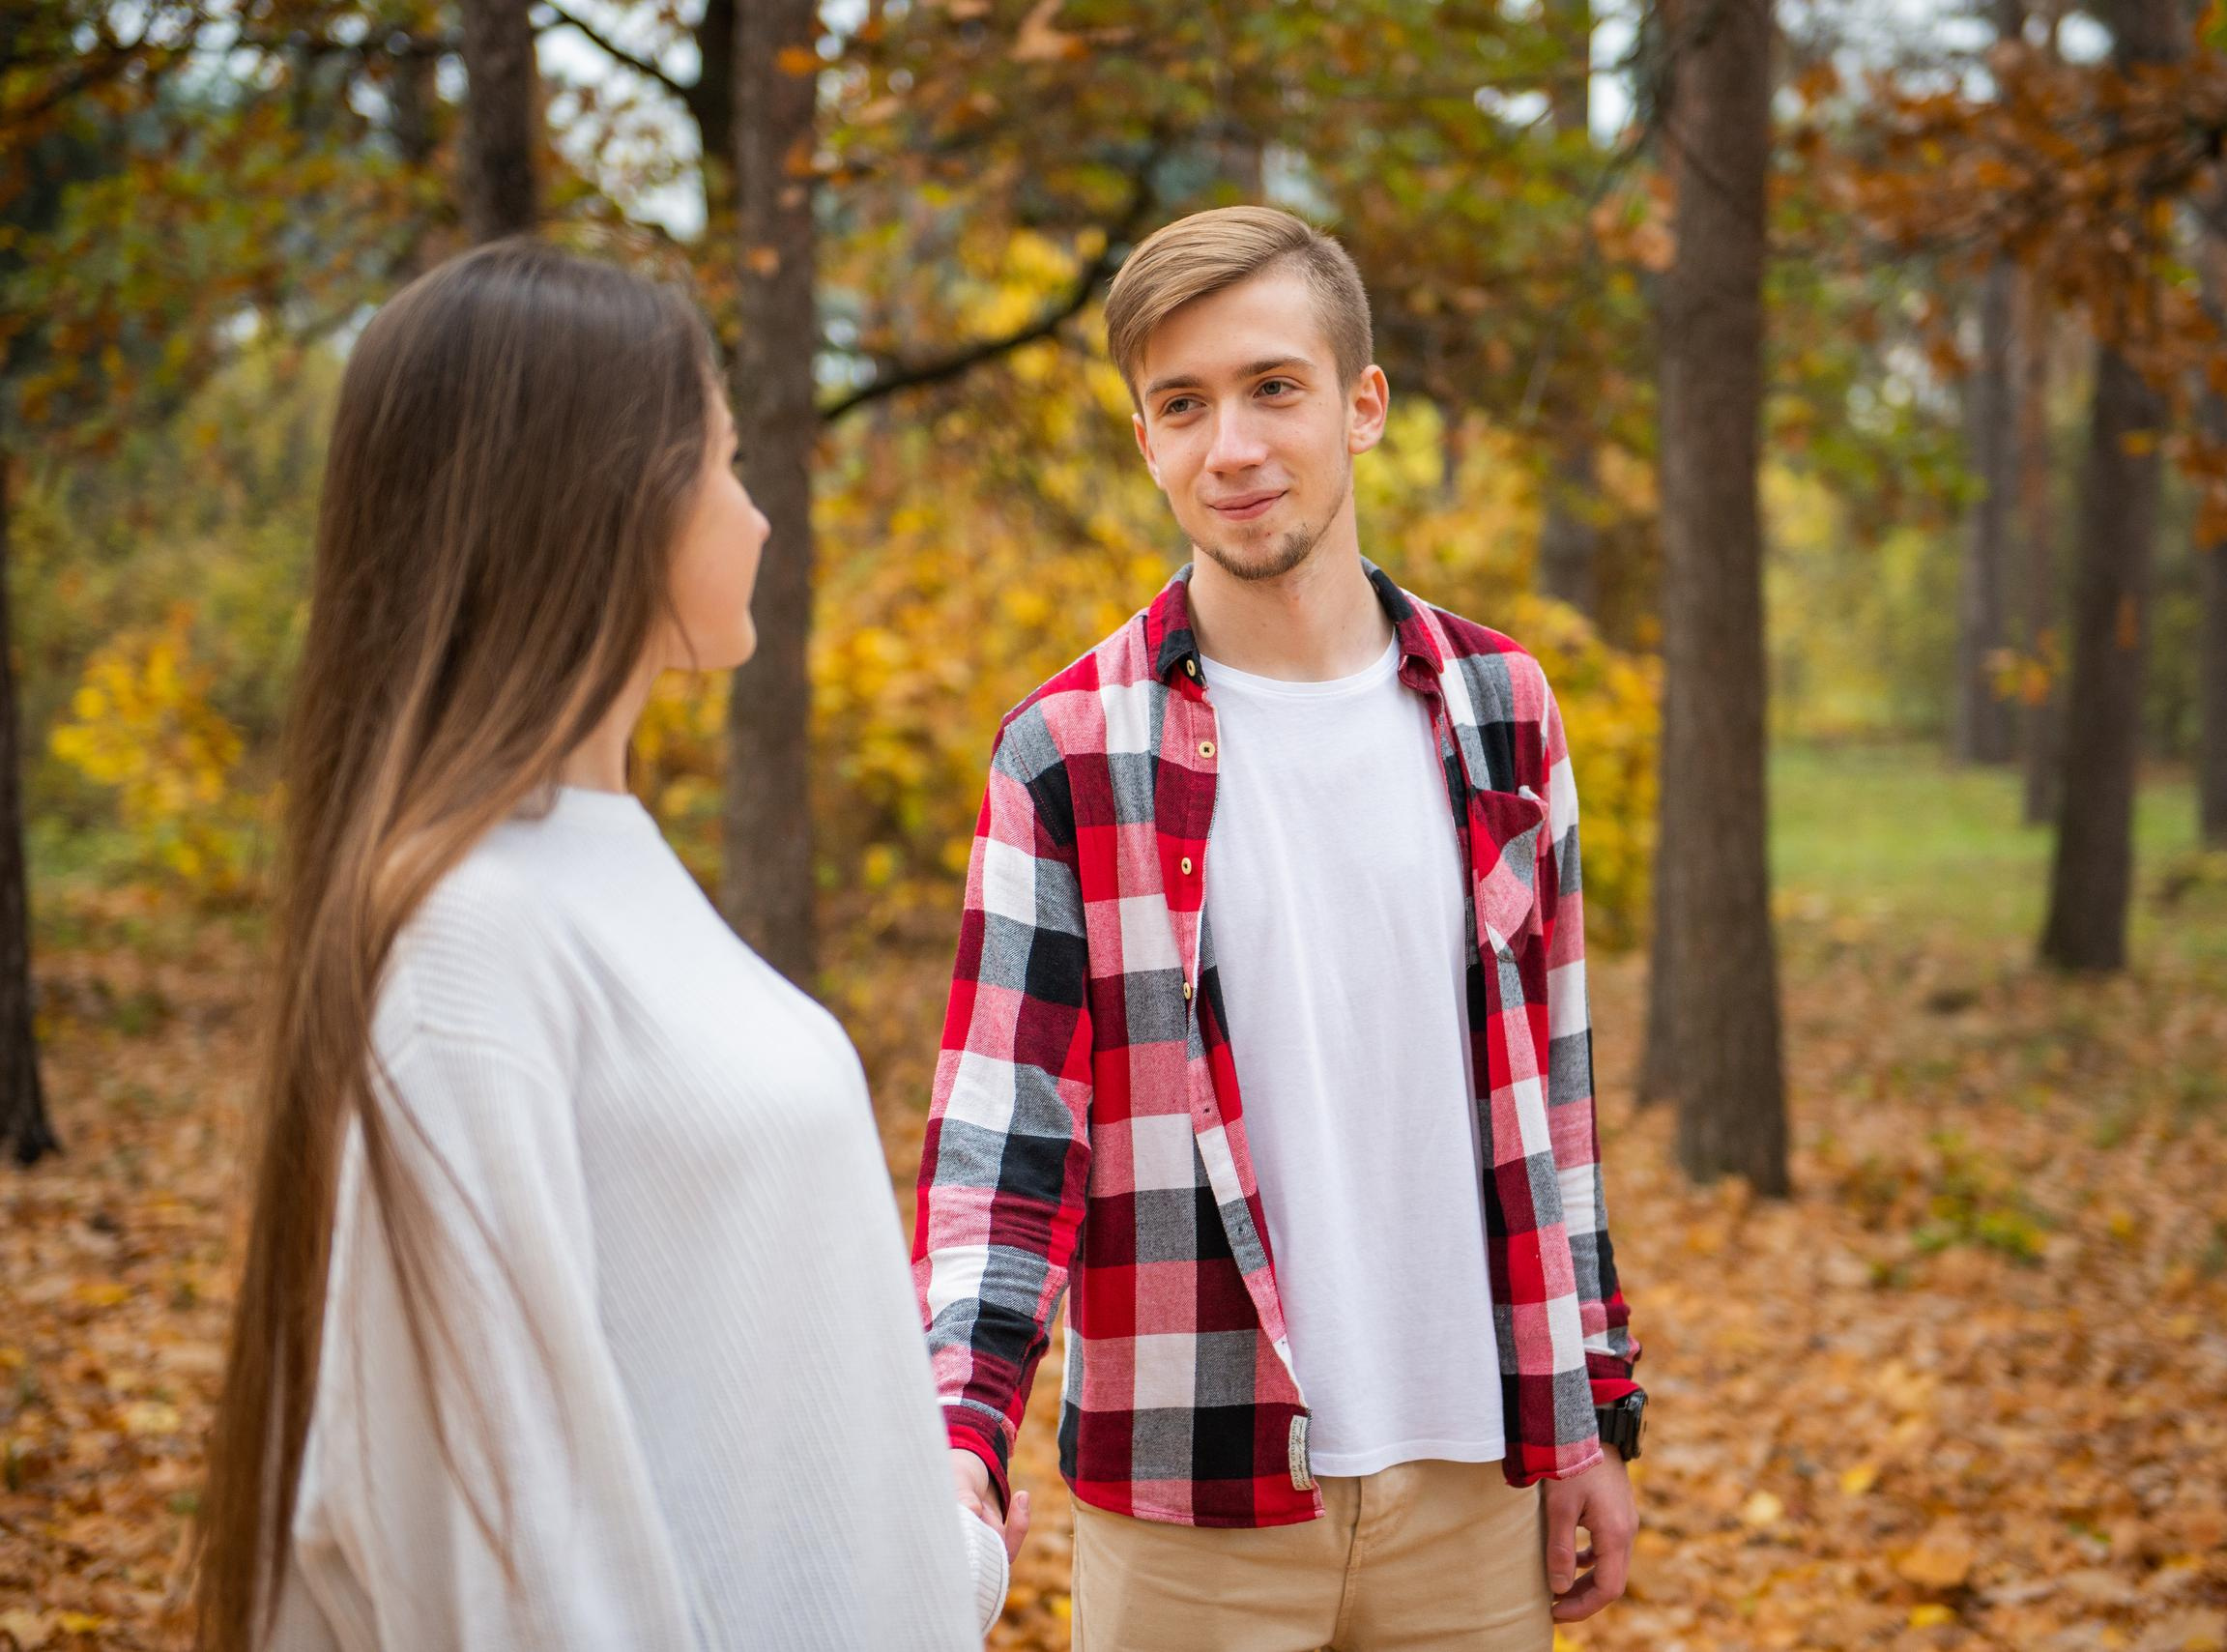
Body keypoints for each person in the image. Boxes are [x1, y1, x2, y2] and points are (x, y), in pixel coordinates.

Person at [192, 240, 1017, 1652]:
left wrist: (943, 1548)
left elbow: (711, 1385)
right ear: (615, 495)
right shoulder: (471, 939)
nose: (758, 518)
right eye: (728, 460)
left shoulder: (596, 858)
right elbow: (510, 1553)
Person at [913, 205, 1644, 1652]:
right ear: (1146, 441)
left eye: (1272, 387)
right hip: (1193, 1500)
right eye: (1182, 406)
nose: (1231, 447)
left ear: (1362, 404)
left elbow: (1553, 1103)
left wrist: (1594, 1404)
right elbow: (1004, 1147)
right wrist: (962, 1433)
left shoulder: (1504, 709)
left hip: (1475, 1477)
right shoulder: (1066, 751)